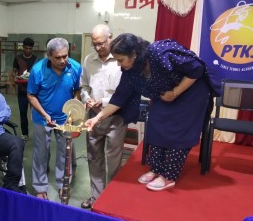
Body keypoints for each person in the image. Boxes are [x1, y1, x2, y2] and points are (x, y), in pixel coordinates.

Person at [84, 33, 219, 191]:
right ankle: (156, 169)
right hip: (165, 95)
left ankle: (168, 176)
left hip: (190, 93)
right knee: (155, 126)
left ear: (134, 54)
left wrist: (175, 92)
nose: (119, 65)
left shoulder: (161, 53)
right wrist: (97, 118)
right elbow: (119, 98)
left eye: (121, 60)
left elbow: (197, 69)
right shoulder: (131, 71)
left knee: (177, 133)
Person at [27, 38, 81, 200]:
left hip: (65, 119)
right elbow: (30, 95)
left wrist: (75, 106)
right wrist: (44, 114)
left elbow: (77, 90)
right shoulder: (38, 70)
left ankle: (63, 184)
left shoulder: (75, 67)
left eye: (65, 56)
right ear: (49, 56)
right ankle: (40, 187)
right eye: (58, 57)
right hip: (42, 118)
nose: (63, 60)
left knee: (65, 153)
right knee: (41, 153)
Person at [80, 24, 127, 208]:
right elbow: (83, 86)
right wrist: (87, 98)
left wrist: (105, 101)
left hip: (116, 116)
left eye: (101, 43)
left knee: (113, 160)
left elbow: (124, 91)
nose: (98, 48)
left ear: (110, 38)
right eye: (94, 44)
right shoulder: (88, 60)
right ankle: (96, 197)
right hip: (93, 116)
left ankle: (112, 198)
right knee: (94, 157)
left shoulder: (119, 60)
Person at [12, 37, 38, 141]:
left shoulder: (36, 60)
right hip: (22, 91)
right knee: (23, 112)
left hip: (34, 92)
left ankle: (38, 134)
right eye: (26, 48)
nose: (28, 50)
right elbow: (14, 71)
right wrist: (15, 76)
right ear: (23, 48)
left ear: (32, 48)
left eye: (30, 48)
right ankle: (24, 133)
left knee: (36, 113)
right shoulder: (17, 58)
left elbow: (38, 74)